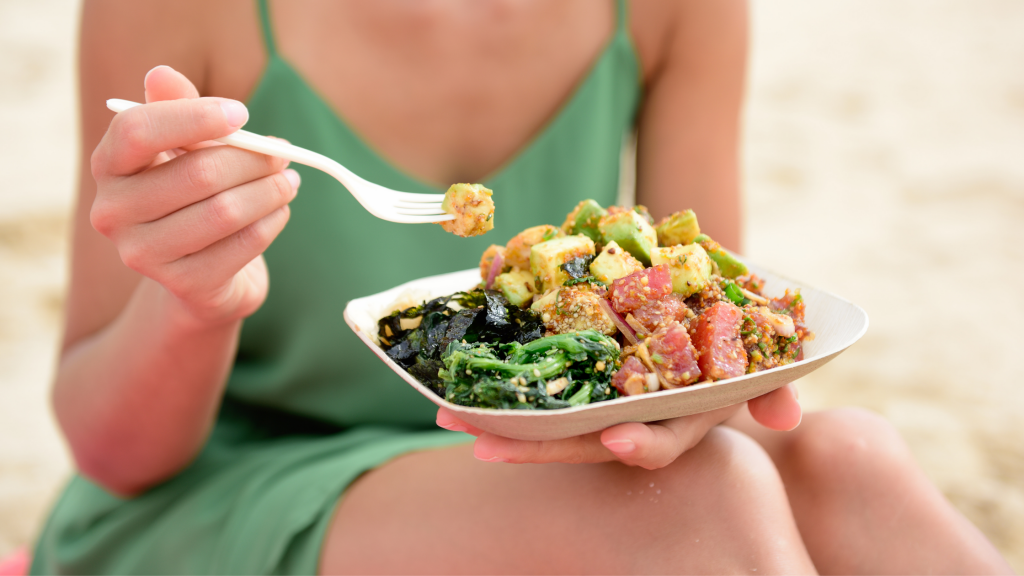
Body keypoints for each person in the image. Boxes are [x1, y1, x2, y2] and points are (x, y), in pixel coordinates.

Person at [32, 1, 1011, 574]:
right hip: (227, 495)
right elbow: (116, 453)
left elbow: (693, 311)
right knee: (708, 497)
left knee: (850, 456)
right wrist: (192, 298)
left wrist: (691, 392)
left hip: (552, 461)